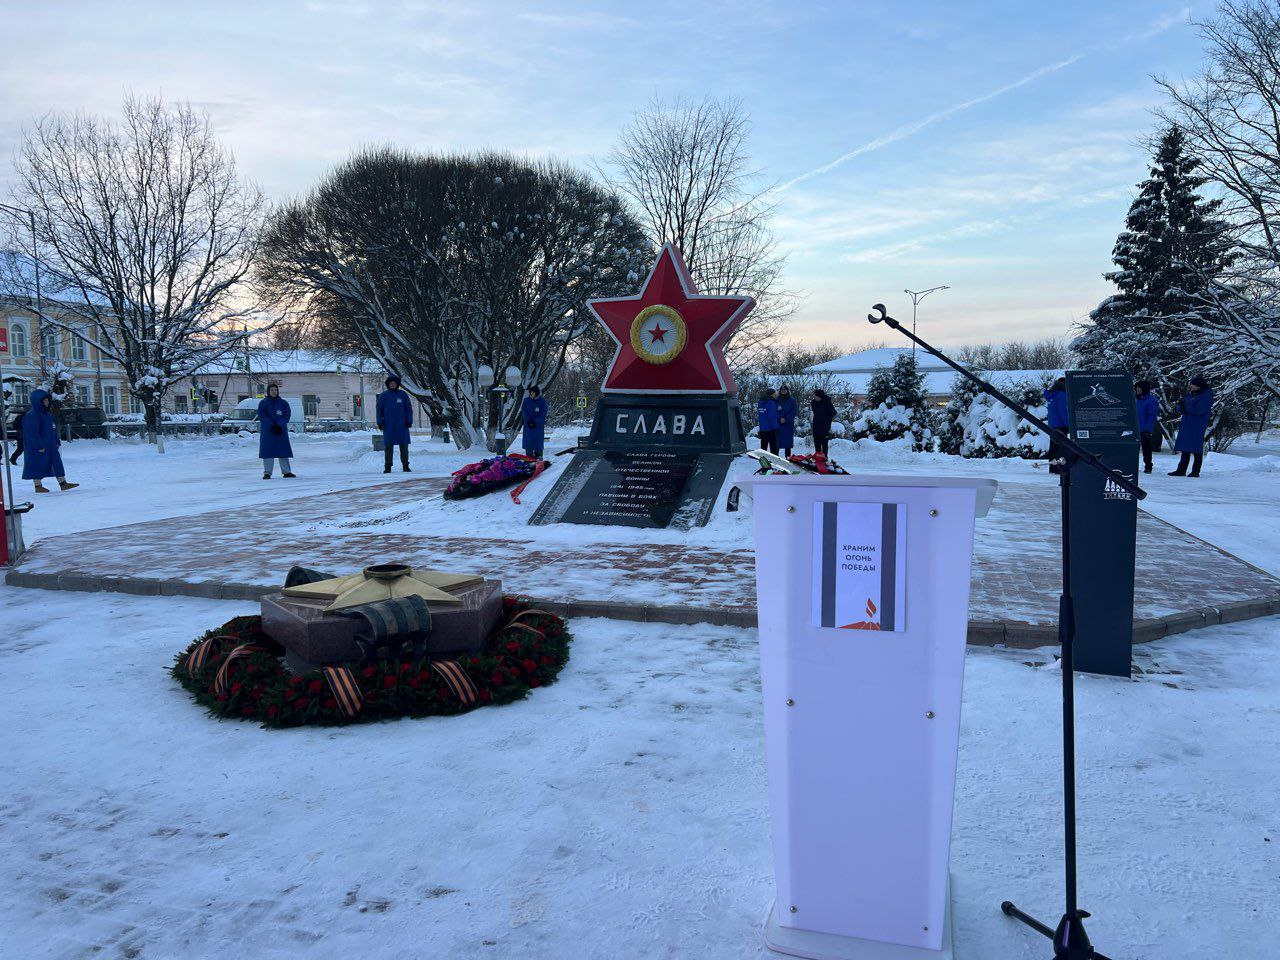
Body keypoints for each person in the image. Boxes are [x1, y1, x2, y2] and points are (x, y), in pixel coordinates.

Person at [21, 389, 78, 493]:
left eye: (48, 400)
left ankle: (63, 483)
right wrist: (38, 446)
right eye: (45, 400)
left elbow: (53, 429)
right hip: (39, 447)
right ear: (38, 401)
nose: (47, 402)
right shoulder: (32, 415)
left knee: (57, 463)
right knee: (37, 464)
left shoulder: (48, 415)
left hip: (51, 445)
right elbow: (32, 433)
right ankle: (38, 486)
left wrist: (56, 441)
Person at [1169, 375, 1213, 477]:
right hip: (1187, 423)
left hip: (1197, 425)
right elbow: (1182, 405)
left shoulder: (1206, 396)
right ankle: (1181, 470)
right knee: (1185, 448)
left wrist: (1185, 407)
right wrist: (1181, 407)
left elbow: (1199, 410)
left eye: (1193, 385)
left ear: (1199, 386)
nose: (1191, 386)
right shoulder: (1191, 395)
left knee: (1196, 448)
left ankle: (1195, 471)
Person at [257, 384, 295, 479]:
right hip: (268, 431)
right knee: (268, 452)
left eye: (275, 390)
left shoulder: (283, 403)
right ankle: (267, 473)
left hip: (280, 431)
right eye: (272, 390)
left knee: (283, 451)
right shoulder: (263, 403)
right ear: (268, 391)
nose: (274, 392)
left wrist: (279, 425)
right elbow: (262, 416)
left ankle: (287, 472)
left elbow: (287, 415)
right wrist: (272, 426)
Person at [377, 374, 413, 473]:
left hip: (402, 425)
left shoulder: (403, 395)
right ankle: (388, 466)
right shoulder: (383, 395)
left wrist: (409, 421)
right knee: (388, 446)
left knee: (404, 446)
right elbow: (379, 410)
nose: (392, 385)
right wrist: (380, 422)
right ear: (388, 384)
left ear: (397, 384)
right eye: (391, 383)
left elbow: (409, 409)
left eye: (394, 383)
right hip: (389, 425)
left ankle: (405, 465)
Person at [1134, 380, 1159, 474]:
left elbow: (1152, 416)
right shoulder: (1135, 399)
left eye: (1139, 388)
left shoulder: (1151, 400)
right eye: (1136, 388)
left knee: (1146, 448)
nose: (1137, 390)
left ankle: (1148, 466)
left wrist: (1147, 429)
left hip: (1144, 428)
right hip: (1134, 427)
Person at [1042, 376, 1069, 464]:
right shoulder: (1061, 395)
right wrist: (1069, 425)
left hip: (1053, 424)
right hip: (1061, 425)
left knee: (1053, 446)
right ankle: (1058, 467)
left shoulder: (1052, 394)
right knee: (1060, 447)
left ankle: (1053, 467)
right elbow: (1063, 411)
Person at [520, 385, 548, 459]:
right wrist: (528, 421)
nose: (531, 394)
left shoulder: (542, 402)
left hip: (538, 428)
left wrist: (535, 422)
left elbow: (543, 414)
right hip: (528, 427)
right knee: (528, 445)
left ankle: (539, 459)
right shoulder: (526, 401)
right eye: (530, 392)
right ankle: (529, 459)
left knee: (538, 445)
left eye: (533, 392)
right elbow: (524, 412)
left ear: (537, 392)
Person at [810, 389, 836, 456]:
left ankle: (824, 459)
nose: (814, 397)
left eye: (816, 396)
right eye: (814, 396)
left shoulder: (827, 402)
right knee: (817, 444)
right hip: (816, 426)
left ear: (820, 396)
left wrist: (826, 419)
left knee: (824, 445)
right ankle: (818, 459)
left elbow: (833, 413)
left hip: (825, 427)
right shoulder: (813, 402)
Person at [775, 385, 797, 458]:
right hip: (779, 424)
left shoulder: (792, 400)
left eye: (785, 389)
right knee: (777, 442)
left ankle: (788, 459)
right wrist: (780, 418)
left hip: (788, 424)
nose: (783, 390)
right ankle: (776, 458)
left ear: (787, 390)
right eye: (782, 389)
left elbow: (794, 411)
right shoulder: (777, 400)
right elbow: (774, 411)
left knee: (787, 444)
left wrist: (786, 419)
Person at [757, 388, 779, 455]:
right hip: (771, 428)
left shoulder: (760, 402)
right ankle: (774, 459)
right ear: (772, 394)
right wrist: (776, 427)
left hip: (763, 428)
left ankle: (763, 459)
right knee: (774, 446)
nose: (776, 395)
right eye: (775, 394)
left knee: (764, 445)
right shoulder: (771, 402)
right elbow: (772, 416)